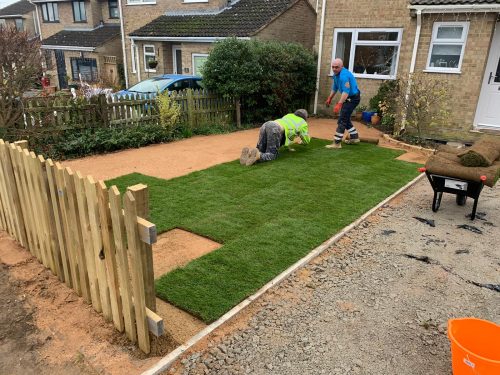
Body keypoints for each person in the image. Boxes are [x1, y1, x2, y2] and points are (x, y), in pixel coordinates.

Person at [240, 109, 311, 166]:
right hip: (274, 128)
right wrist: (303, 142)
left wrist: (288, 146)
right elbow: (306, 139)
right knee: (272, 154)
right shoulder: (303, 123)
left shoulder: (289, 115)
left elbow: (286, 135)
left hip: (266, 124)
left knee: (261, 149)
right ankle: (258, 156)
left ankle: (249, 154)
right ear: (305, 117)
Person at [325, 58, 361, 149]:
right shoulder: (336, 75)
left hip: (352, 98)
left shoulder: (344, 76)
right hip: (348, 98)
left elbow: (345, 92)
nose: (334, 69)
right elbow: (335, 87)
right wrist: (330, 98)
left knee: (342, 119)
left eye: (336, 67)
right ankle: (354, 137)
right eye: (333, 67)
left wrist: (339, 104)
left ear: (342, 67)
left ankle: (337, 143)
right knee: (345, 117)